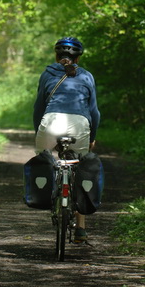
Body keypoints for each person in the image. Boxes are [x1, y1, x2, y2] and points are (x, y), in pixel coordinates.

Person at [33, 36, 100, 243]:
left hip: (51, 122)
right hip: (80, 125)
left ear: (56, 56)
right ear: (78, 58)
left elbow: (39, 108)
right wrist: (92, 138)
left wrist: (39, 132)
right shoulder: (87, 76)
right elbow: (94, 112)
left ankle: (51, 193)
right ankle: (80, 228)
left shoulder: (47, 74)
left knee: (44, 159)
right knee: (80, 169)